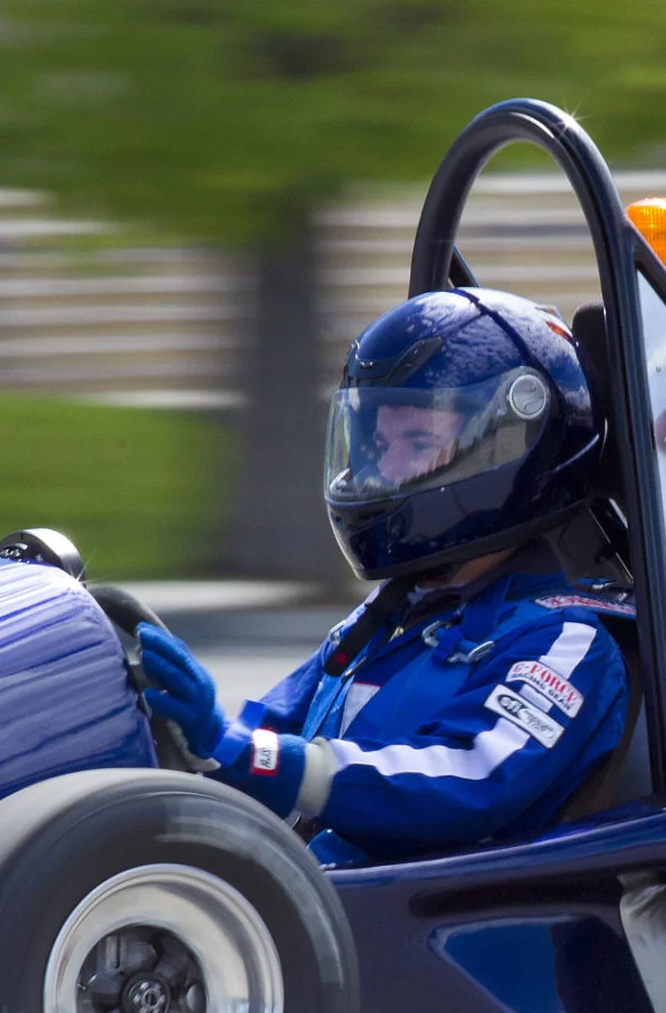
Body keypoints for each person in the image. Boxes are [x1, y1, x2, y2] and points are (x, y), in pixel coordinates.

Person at [135, 286, 637, 866]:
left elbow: (469, 779)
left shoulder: (564, 642)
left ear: (508, 447)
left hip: (447, 932)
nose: (382, 470)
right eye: (376, 442)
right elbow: (261, 730)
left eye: (417, 442)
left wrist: (258, 758)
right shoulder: (390, 615)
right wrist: (177, 735)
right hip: (326, 905)